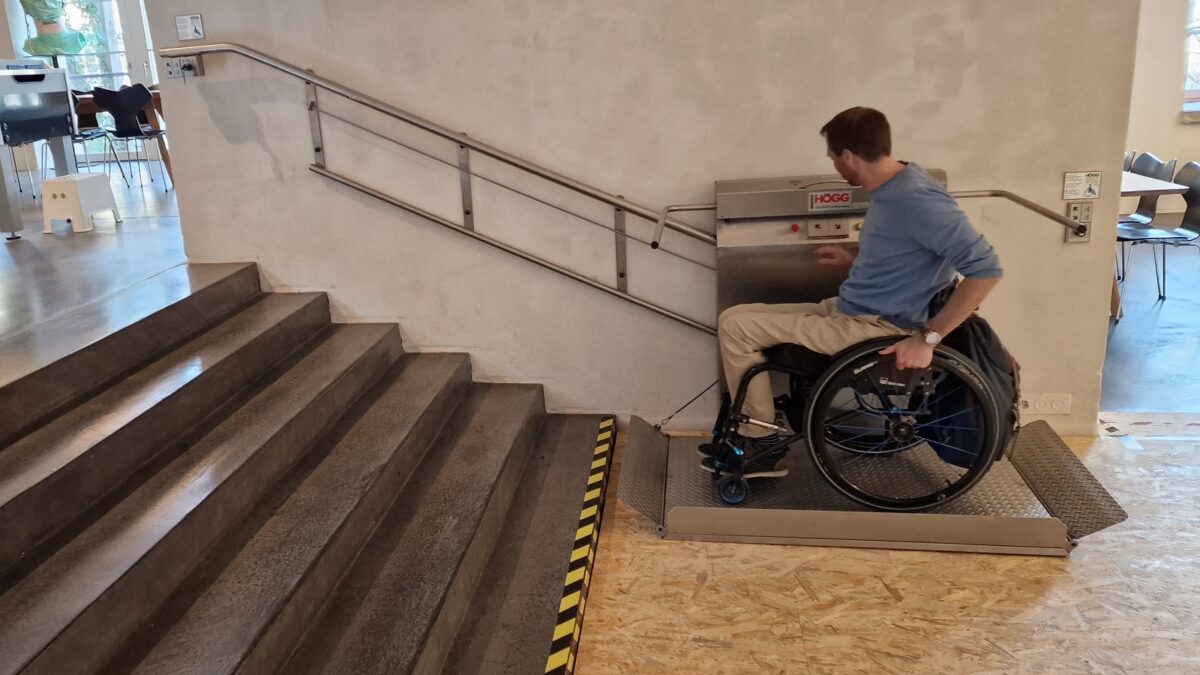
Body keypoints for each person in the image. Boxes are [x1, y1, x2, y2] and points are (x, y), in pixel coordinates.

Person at [701, 106, 1003, 478]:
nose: (833, 165)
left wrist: (928, 338)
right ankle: (757, 428)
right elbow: (908, 249)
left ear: (847, 156)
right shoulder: (894, 186)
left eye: (832, 157)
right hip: (853, 308)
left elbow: (985, 269)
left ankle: (761, 442)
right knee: (734, 316)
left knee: (737, 329)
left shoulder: (919, 200)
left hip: (875, 325)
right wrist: (853, 256)